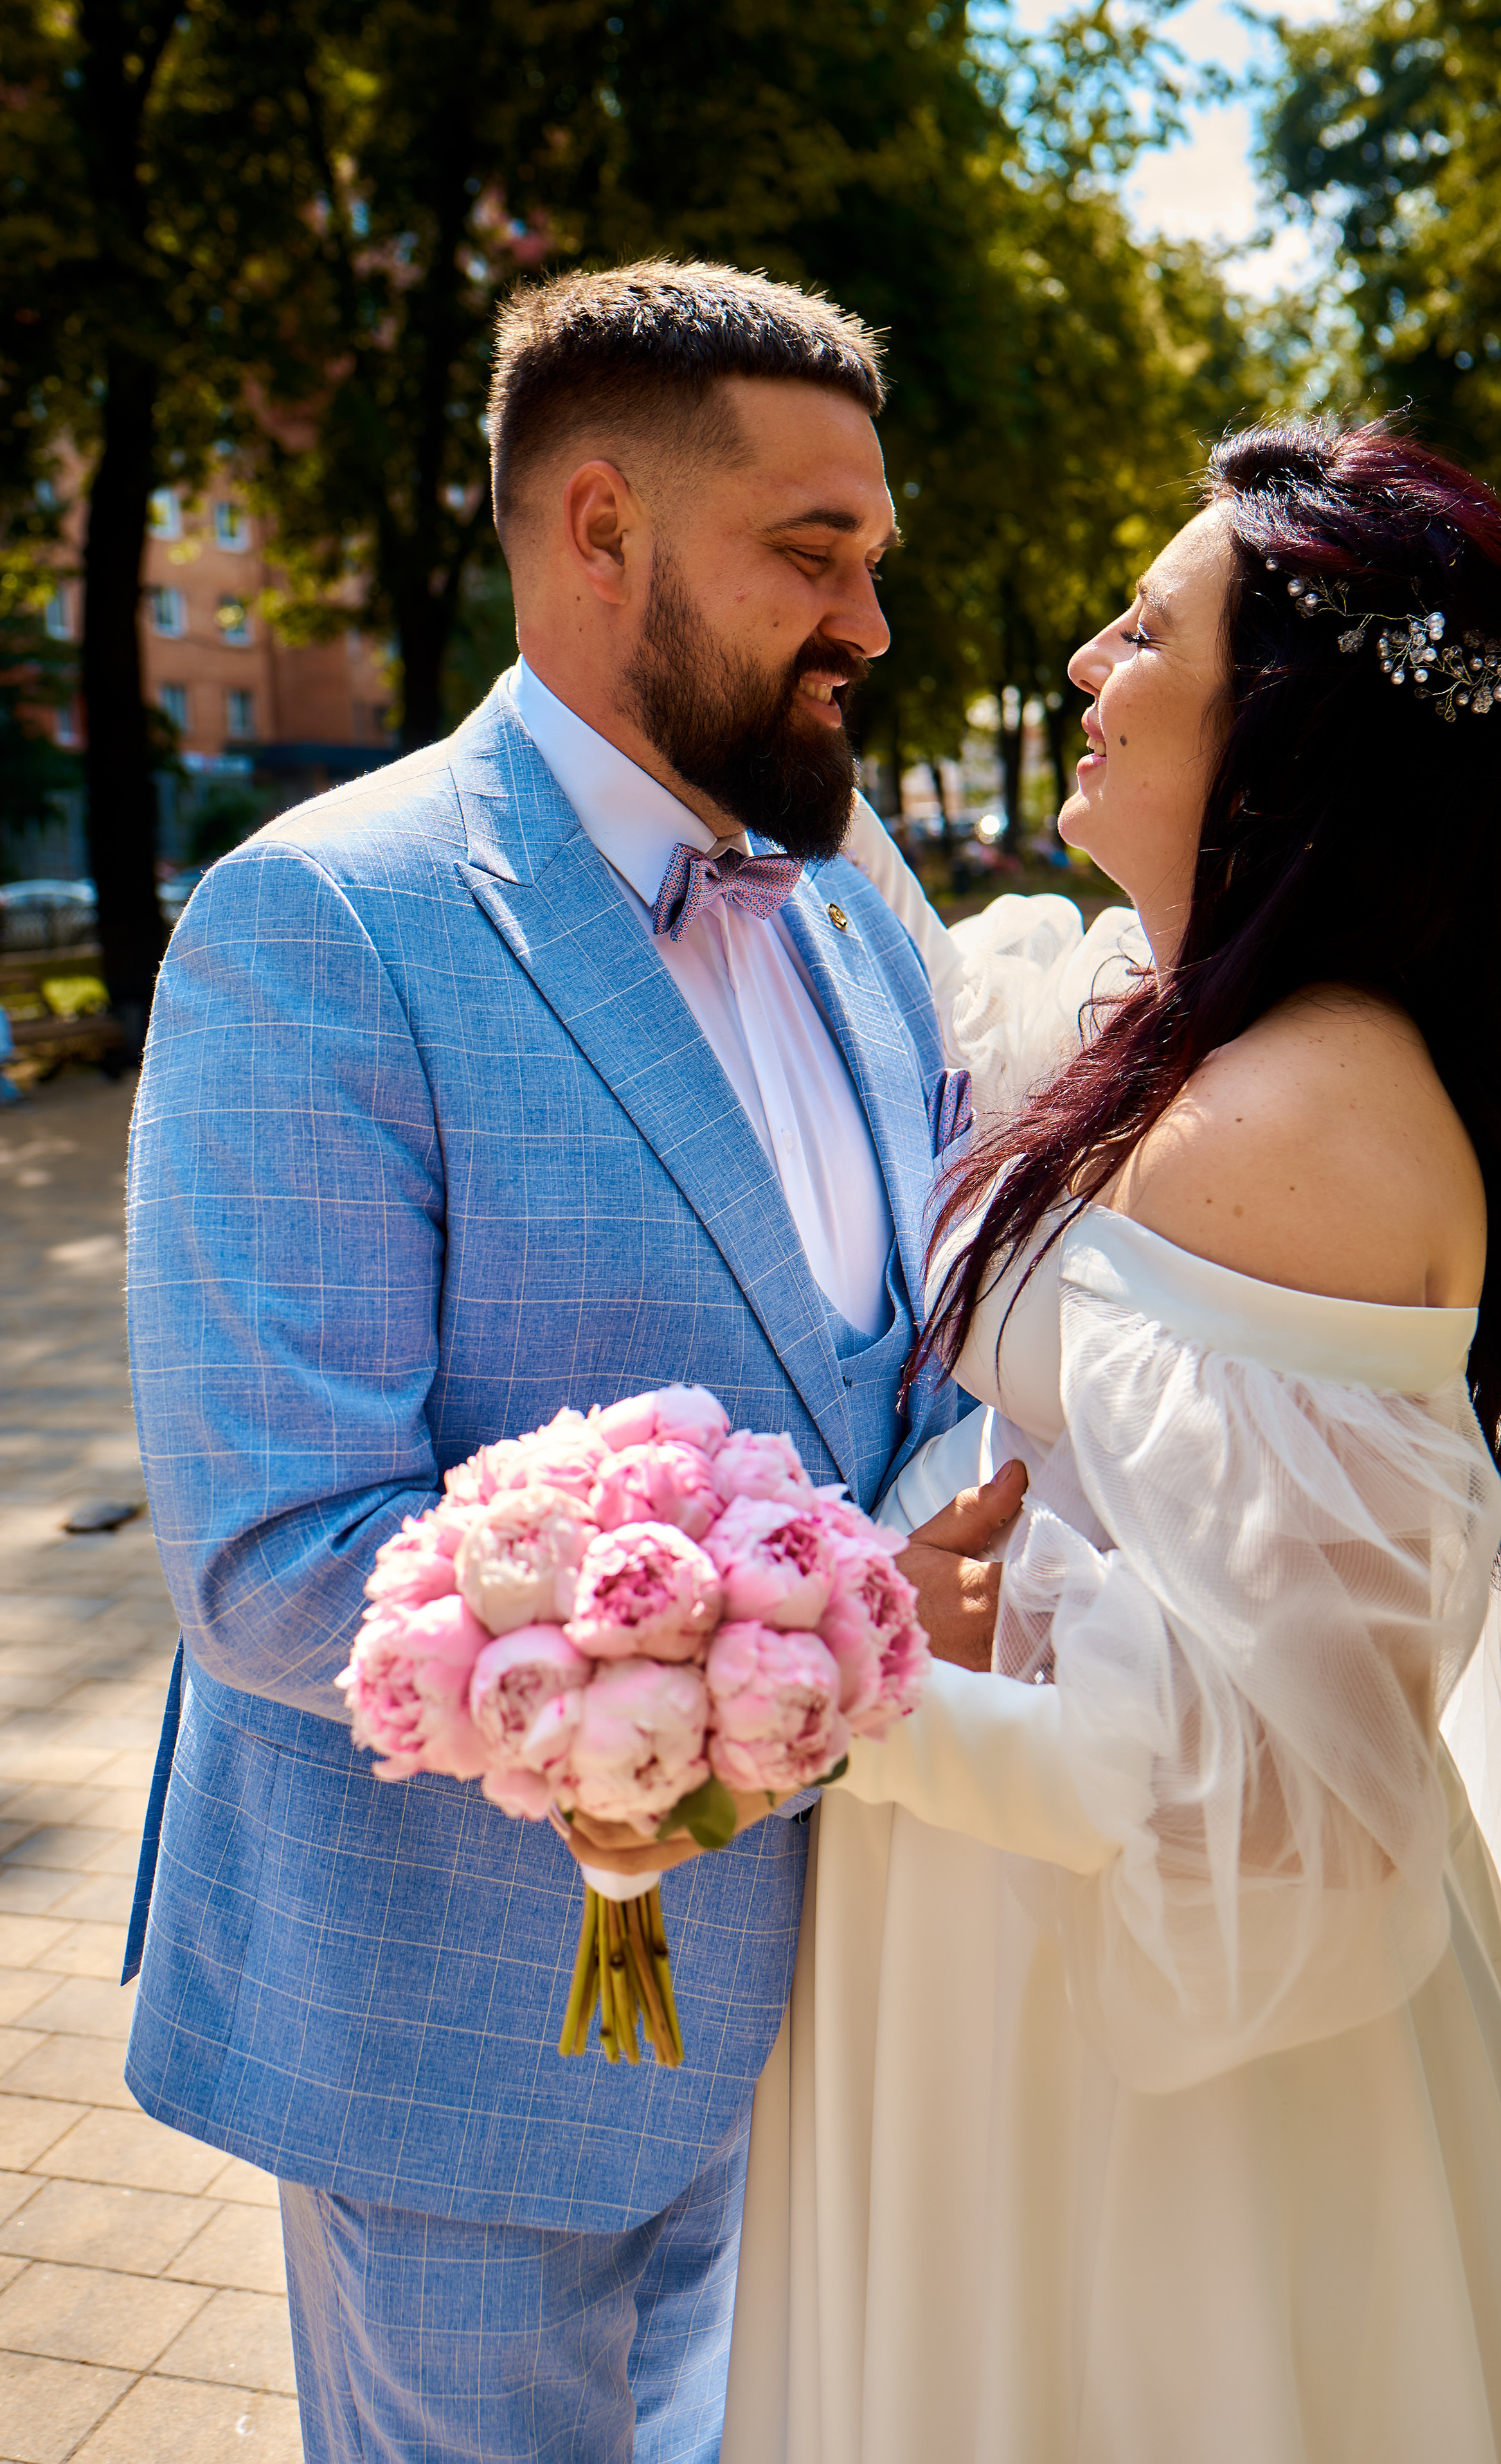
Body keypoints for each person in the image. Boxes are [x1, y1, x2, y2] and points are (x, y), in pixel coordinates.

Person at [592, 418, 1501, 2460]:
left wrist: (801, 1692)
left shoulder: (1310, 1126)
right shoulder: (1187, 1031)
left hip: (1155, 2087)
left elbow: (1274, 1828)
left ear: (1279, 735)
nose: (1084, 659)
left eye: (1146, 629)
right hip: (1009, 1967)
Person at [120, 259, 975, 2464]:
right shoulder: (325, 922)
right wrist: (814, 1649)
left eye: (870, 555)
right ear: (601, 532)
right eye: (817, 553)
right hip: (466, 2041)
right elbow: (281, 1547)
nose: (870, 623)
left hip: (838, 2018)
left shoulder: (857, 918)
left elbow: (908, 1371)